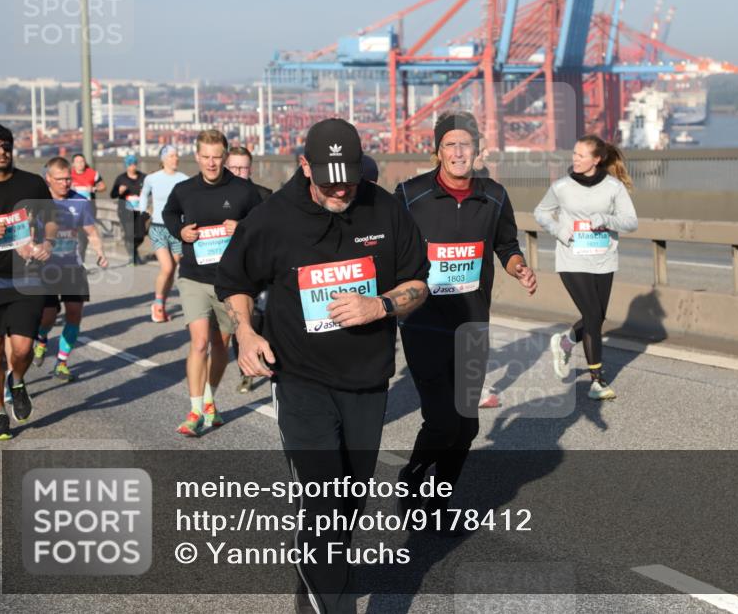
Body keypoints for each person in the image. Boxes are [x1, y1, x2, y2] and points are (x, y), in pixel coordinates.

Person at [216, 118, 428, 614]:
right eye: (328, 178)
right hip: (300, 380)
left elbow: (419, 282)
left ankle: (311, 589)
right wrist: (246, 332)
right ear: (304, 165)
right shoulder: (272, 218)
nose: (340, 189)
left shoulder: (384, 208)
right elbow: (235, 282)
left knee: (348, 504)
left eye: (348, 178)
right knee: (324, 503)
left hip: (367, 382)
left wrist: (383, 305)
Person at [394, 111, 537, 524]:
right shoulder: (409, 194)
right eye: (450, 145)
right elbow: (386, 245)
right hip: (423, 323)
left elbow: (506, 244)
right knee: (441, 422)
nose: (458, 153)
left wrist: (518, 266)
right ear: (437, 151)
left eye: (466, 145)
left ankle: (439, 508)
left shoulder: (493, 194)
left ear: (478, 150)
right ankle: (413, 474)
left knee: (468, 425)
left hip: (472, 323)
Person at [163, 130, 262, 436]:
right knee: (200, 342)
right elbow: (169, 213)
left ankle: (209, 401)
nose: (211, 163)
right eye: (205, 157)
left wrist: (242, 227)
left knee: (221, 345)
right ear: (197, 157)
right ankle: (194, 411)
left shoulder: (244, 190)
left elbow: (263, 224)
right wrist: (181, 232)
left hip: (230, 280)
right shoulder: (184, 189)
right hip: (193, 277)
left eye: (216, 157)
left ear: (225, 156)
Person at [534, 134, 638, 400]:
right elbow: (541, 213)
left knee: (598, 317)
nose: (575, 160)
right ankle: (597, 381)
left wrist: (605, 219)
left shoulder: (614, 187)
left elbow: (630, 222)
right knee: (592, 314)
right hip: (572, 257)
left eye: (581, 156)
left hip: (604, 259)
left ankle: (566, 341)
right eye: (574, 155)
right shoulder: (562, 187)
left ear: (597, 159)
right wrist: (560, 231)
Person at [0, 124, 56, 440]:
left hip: (28, 277)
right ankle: (0, 413)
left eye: (6, 145)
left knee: (23, 349)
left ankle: (19, 379)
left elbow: (51, 218)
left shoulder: (32, 183)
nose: (2, 152)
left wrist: (49, 242)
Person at [33, 157, 109, 381]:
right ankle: (42, 337)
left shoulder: (80, 201)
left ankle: (62, 362)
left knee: (75, 313)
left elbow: (92, 232)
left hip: (72, 267)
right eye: (60, 179)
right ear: (49, 179)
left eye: (69, 179)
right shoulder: (39, 202)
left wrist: (100, 252)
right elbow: (27, 231)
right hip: (45, 268)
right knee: (47, 316)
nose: (66, 183)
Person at [224, 146, 271, 394]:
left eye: (243, 167)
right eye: (233, 167)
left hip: (258, 268)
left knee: (259, 318)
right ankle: (246, 371)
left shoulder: (264, 196)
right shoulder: (215, 196)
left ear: (250, 168)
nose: (239, 172)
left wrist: (241, 227)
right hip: (226, 270)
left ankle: (261, 358)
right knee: (239, 323)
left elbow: (273, 231)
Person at [138, 145, 188, 322]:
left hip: (176, 228)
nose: (176, 159)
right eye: (172, 156)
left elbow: (190, 201)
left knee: (172, 269)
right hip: (158, 227)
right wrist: (142, 211)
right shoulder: (152, 178)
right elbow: (143, 194)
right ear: (164, 159)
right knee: (166, 267)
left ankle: (162, 303)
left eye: (177, 155)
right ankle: (158, 304)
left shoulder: (184, 179)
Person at [109, 154, 147, 265]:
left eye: (134, 164)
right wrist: (119, 192)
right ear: (126, 166)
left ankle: (134, 252)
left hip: (139, 211)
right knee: (130, 234)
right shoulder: (121, 179)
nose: (132, 167)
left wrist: (144, 193)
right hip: (125, 211)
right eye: (130, 165)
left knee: (141, 234)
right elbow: (112, 194)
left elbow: (150, 191)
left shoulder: (143, 177)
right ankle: (133, 256)